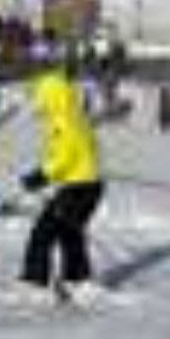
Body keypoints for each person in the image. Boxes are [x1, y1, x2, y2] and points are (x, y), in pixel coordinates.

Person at [19, 37, 104, 293]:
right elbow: (71, 151)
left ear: (51, 97)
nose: (39, 107)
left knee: (43, 233)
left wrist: (41, 175)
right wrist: (49, 170)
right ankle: (78, 279)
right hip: (86, 184)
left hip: (79, 187)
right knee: (69, 233)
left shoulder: (63, 120)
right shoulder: (71, 114)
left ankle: (35, 282)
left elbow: (65, 155)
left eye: (41, 101)